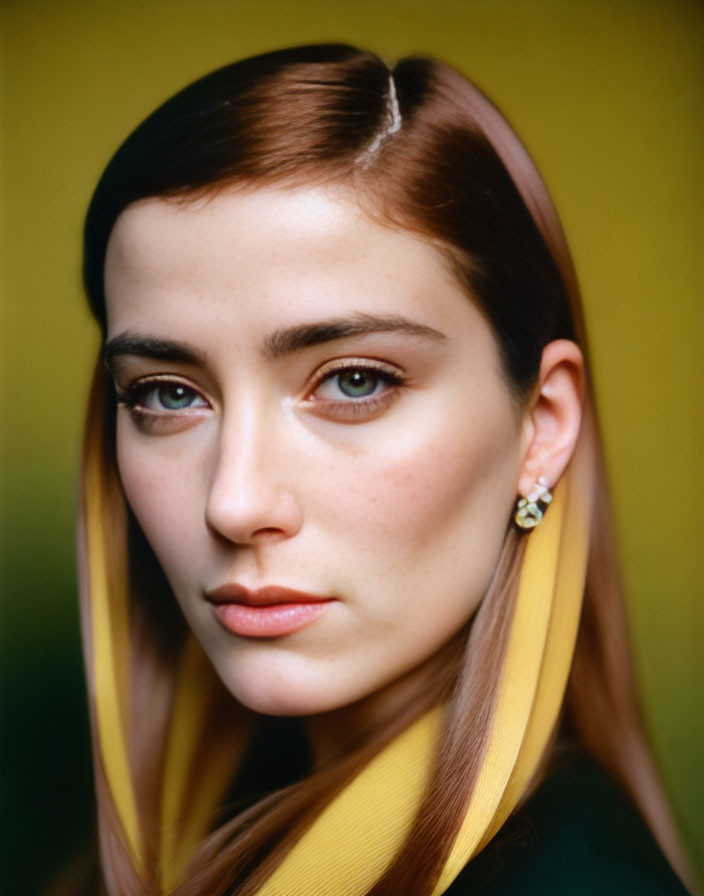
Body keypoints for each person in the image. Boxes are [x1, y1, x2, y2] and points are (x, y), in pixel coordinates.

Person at [77, 43, 694, 895]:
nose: (236, 502)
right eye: (168, 394)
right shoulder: (223, 832)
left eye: (355, 381)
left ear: (541, 426)